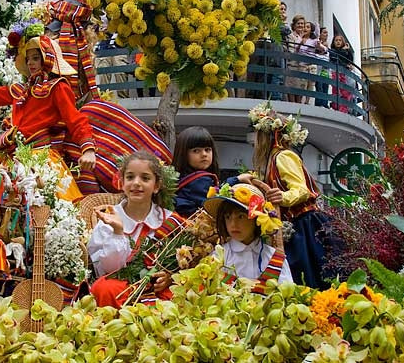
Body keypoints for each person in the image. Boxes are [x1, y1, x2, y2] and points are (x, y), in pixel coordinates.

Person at [0, 30, 96, 201]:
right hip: (12, 160)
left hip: (41, 158)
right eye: (28, 59)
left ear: (47, 59)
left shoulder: (57, 87)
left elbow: (75, 120)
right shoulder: (20, 90)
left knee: (48, 209)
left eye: (36, 58)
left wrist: (88, 150)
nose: (30, 63)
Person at [245, 102, 333, 289]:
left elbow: (301, 190)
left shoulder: (283, 156)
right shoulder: (270, 160)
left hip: (304, 226)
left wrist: (282, 198)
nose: (253, 140)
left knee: (306, 277)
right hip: (294, 227)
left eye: (256, 134)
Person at [87, 150, 181, 308]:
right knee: (103, 288)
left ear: (156, 186)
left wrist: (169, 277)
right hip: (121, 287)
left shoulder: (171, 220)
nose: (136, 183)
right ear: (122, 182)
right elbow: (107, 271)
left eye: (145, 178)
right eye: (130, 177)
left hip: (159, 289)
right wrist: (117, 231)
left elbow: (185, 262)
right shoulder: (108, 219)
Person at [203, 182, 292, 293]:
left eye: (241, 216)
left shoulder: (273, 258)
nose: (233, 224)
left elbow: (288, 295)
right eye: (228, 217)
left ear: (257, 220)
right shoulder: (218, 257)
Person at [172, 126, 221, 217]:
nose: (204, 154)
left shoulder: (178, 178)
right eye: (196, 151)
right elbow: (217, 202)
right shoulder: (199, 181)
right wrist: (235, 180)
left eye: (207, 149)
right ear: (183, 154)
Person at [329, 35, 355, 113]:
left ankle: (343, 109)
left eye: (340, 40)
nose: (338, 42)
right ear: (333, 42)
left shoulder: (345, 52)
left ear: (342, 42)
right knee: (336, 90)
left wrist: (349, 50)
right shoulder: (332, 51)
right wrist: (344, 52)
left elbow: (350, 60)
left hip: (343, 73)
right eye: (336, 40)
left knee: (345, 92)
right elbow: (336, 57)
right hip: (335, 72)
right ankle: (336, 107)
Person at [314, 27, 330, 108]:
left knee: (325, 88)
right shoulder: (316, 45)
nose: (326, 34)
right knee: (319, 88)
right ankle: (319, 104)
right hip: (318, 72)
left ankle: (325, 104)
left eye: (327, 33)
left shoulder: (327, 49)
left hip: (326, 73)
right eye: (324, 32)